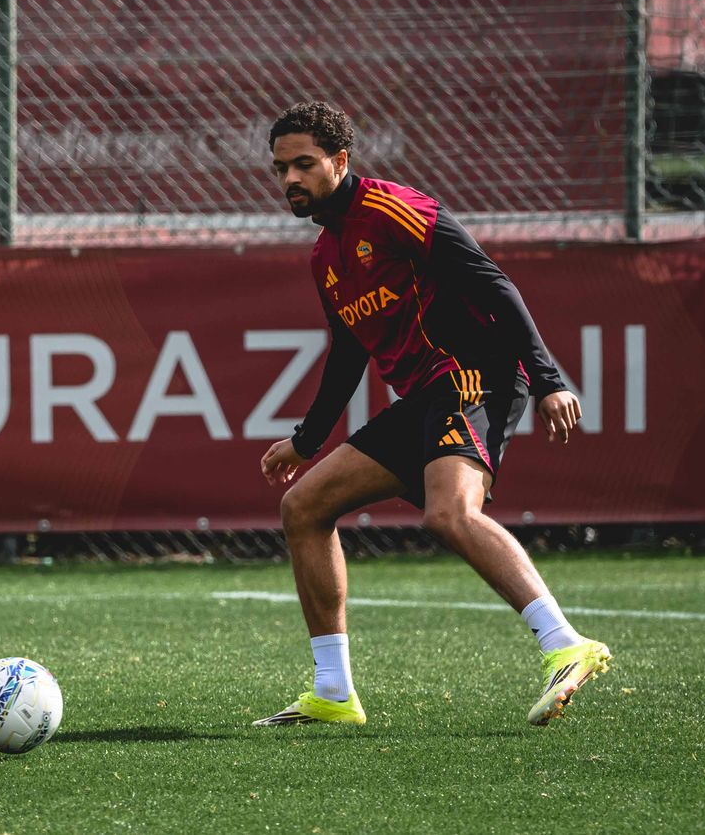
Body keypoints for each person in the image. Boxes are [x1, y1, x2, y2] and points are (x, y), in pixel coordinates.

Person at [254, 102, 610, 728]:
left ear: (340, 161)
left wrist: (550, 378)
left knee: (449, 513)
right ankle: (333, 693)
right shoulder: (324, 257)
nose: (291, 180)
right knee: (303, 508)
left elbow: (491, 281)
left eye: (304, 165)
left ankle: (567, 646)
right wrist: (306, 440)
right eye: (281, 168)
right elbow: (347, 353)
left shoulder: (392, 208)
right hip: (422, 395)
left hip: (474, 373)